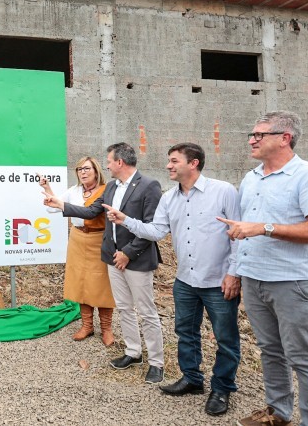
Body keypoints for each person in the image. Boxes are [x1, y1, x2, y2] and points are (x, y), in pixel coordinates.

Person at [218, 112, 308, 426]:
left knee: (303, 357)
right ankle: (278, 413)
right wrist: (236, 269)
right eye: (251, 134)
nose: (251, 140)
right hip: (255, 278)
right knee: (270, 350)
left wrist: (264, 227)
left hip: (293, 282)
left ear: (284, 138)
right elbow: (247, 229)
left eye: (260, 134)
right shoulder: (251, 177)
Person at [103, 143, 241, 416]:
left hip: (218, 280)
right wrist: (125, 220)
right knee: (186, 333)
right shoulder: (169, 198)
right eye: (169, 160)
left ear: (194, 163)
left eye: (174, 161)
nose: (168, 165)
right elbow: (156, 231)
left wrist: (234, 273)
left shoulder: (223, 191)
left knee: (226, 338)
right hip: (186, 280)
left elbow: (238, 234)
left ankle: (222, 388)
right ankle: (192, 379)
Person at [44, 142, 165, 384]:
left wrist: (128, 253)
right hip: (112, 256)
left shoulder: (149, 186)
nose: (106, 165)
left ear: (120, 162)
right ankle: (133, 352)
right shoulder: (110, 187)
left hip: (136, 258)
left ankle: (156, 362)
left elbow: (153, 228)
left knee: (146, 311)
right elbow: (91, 213)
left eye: (109, 161)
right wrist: (61, 205)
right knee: (124, 307)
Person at [41, 157, 116, 346]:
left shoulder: (106, 190)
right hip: (77, 238)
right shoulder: (74, 191)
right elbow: (53, 208)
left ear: (97, 171)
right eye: (80, 169)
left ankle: (106, 328)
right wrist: (48, 189)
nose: (83, 172)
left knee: (102, 283)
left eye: (87, 169)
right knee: (81, 282)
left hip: (99, 239)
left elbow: (91, 212)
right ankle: (87, 325)